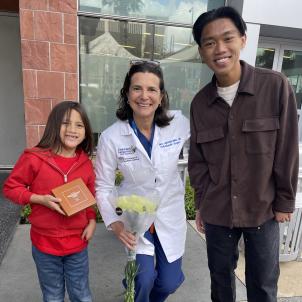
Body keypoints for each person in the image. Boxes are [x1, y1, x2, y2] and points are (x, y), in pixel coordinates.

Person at [188, 6, 299, 302]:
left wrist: (284, 201)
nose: (219, 49)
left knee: (263, 285)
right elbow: (198, 162)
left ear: (243, 40)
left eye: (227, 38)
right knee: (220, 284)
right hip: (218, 212)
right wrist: (201, 204)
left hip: (263, 208)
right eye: (209, 43)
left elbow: (287, 148)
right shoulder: (200, 104)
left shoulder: (275, 86)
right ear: (201, 51)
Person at [95, 60, 190, 302]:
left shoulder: (179, 124)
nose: (144, 96)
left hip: (169, 211)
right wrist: (116, 225)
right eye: (137, 88)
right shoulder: (111, 137)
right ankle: (137, 291)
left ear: (161, 96)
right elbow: (104, 186)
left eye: (151, 89)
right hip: (135, 216)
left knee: (169, 282)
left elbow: (210, 148)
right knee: (143, 278)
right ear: (127, 94)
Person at [3, 101, 96, 302]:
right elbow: (10, 187)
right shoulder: (34, 158)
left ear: (86, 130)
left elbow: (88, 196)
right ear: (54, 125)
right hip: (45, 245)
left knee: (82, 295)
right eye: (65, 123)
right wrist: (38, 199)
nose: (72, 130)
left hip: (77, 244)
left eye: (79, 125)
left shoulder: (86, 163)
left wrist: (91, 220)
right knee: (53, 296)